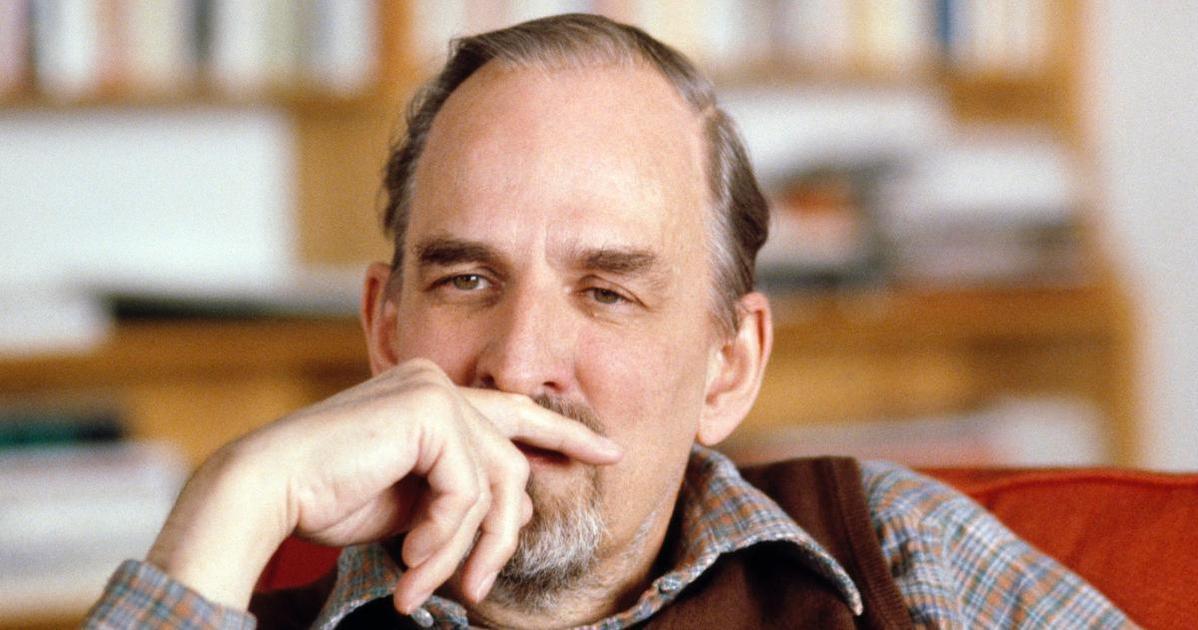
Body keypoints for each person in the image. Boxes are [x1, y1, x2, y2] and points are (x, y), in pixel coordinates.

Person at [86, 14, 1131, 629]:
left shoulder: (904, 561)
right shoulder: (225, 600)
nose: (517, 365)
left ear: (729, 367)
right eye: (466, 280)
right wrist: (235, 495)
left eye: (606, 292)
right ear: (385, 330)